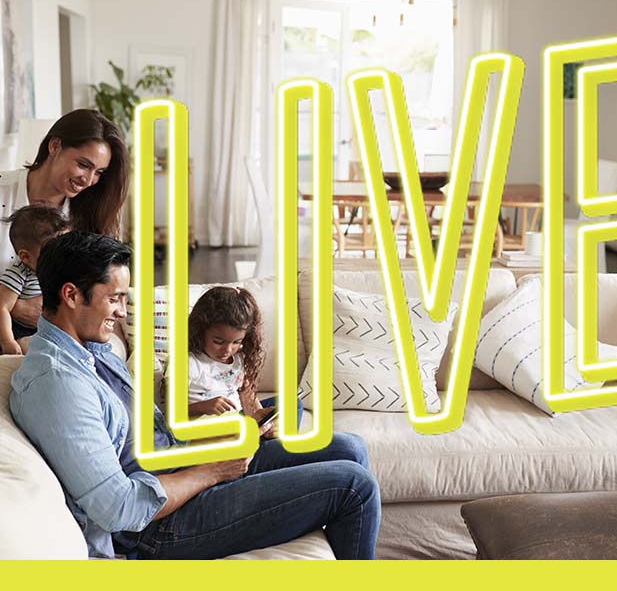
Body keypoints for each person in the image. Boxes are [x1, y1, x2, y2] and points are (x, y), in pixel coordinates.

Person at [10, 232, 380, 559]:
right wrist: (209, 472)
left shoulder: (94, 350)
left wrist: (217, 438)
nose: (123, 312)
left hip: (179, 465)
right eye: (115, 299)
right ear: (72, 295)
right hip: (158, 526)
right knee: (353, 486)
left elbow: (153, 434)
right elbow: (117, 508)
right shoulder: (58, 384)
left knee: (350, 448)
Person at [0, 109, 129, 331]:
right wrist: (16, 307)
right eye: (84, 165)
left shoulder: (90, 213)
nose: (89, 180)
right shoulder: (4, 191)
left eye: (99, 172)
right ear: (55, 146)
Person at [181, 285, 303, 433]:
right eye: (218, 342)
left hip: (242, 426)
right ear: (200, 331)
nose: (227, 350)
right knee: (339, 447)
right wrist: (203, 406)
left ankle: (268, 441)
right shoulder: (189, 363)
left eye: (236, 342)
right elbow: (169, 415)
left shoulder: (238, 358)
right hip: (217, 436)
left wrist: (259, 417)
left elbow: (248, 399)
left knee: (292, 404)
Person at [0, 205, 70, 354]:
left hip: (48, 327)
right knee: (30, 346)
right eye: (52, 252)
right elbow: (2, 307)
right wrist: (8, 341)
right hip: (21, 331)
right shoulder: (18, 274)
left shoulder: (61, 270)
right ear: (25, 257)